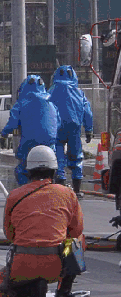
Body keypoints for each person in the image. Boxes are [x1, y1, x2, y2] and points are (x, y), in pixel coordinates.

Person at [0, 145, 85, 297]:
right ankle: (64, 293)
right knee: (78, 240)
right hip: (56, 266)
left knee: (5, 290)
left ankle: (33, 289)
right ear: (54, 171)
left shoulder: (14, 195)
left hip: (22, 265)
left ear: (28, 171)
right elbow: (76, 231)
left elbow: (10, 234)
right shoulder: (67, 194)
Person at [0, 75, 60, 186]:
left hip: (29, 142)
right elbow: (58, 123)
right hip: (49, 142)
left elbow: (12, 123)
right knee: (52, 166)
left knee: (22, 168)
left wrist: (3, 135)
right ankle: (53, 188)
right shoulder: (51, 104)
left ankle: (25, 192)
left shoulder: (21, 104)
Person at [48, 65, 93, 198]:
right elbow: (87, 112)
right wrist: (89, 130)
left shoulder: (51, 91)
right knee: (76, 157)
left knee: (58, 157)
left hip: (56, 129)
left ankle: (60, 184)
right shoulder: (79, 92)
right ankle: (77, 189)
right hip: (74, 129)